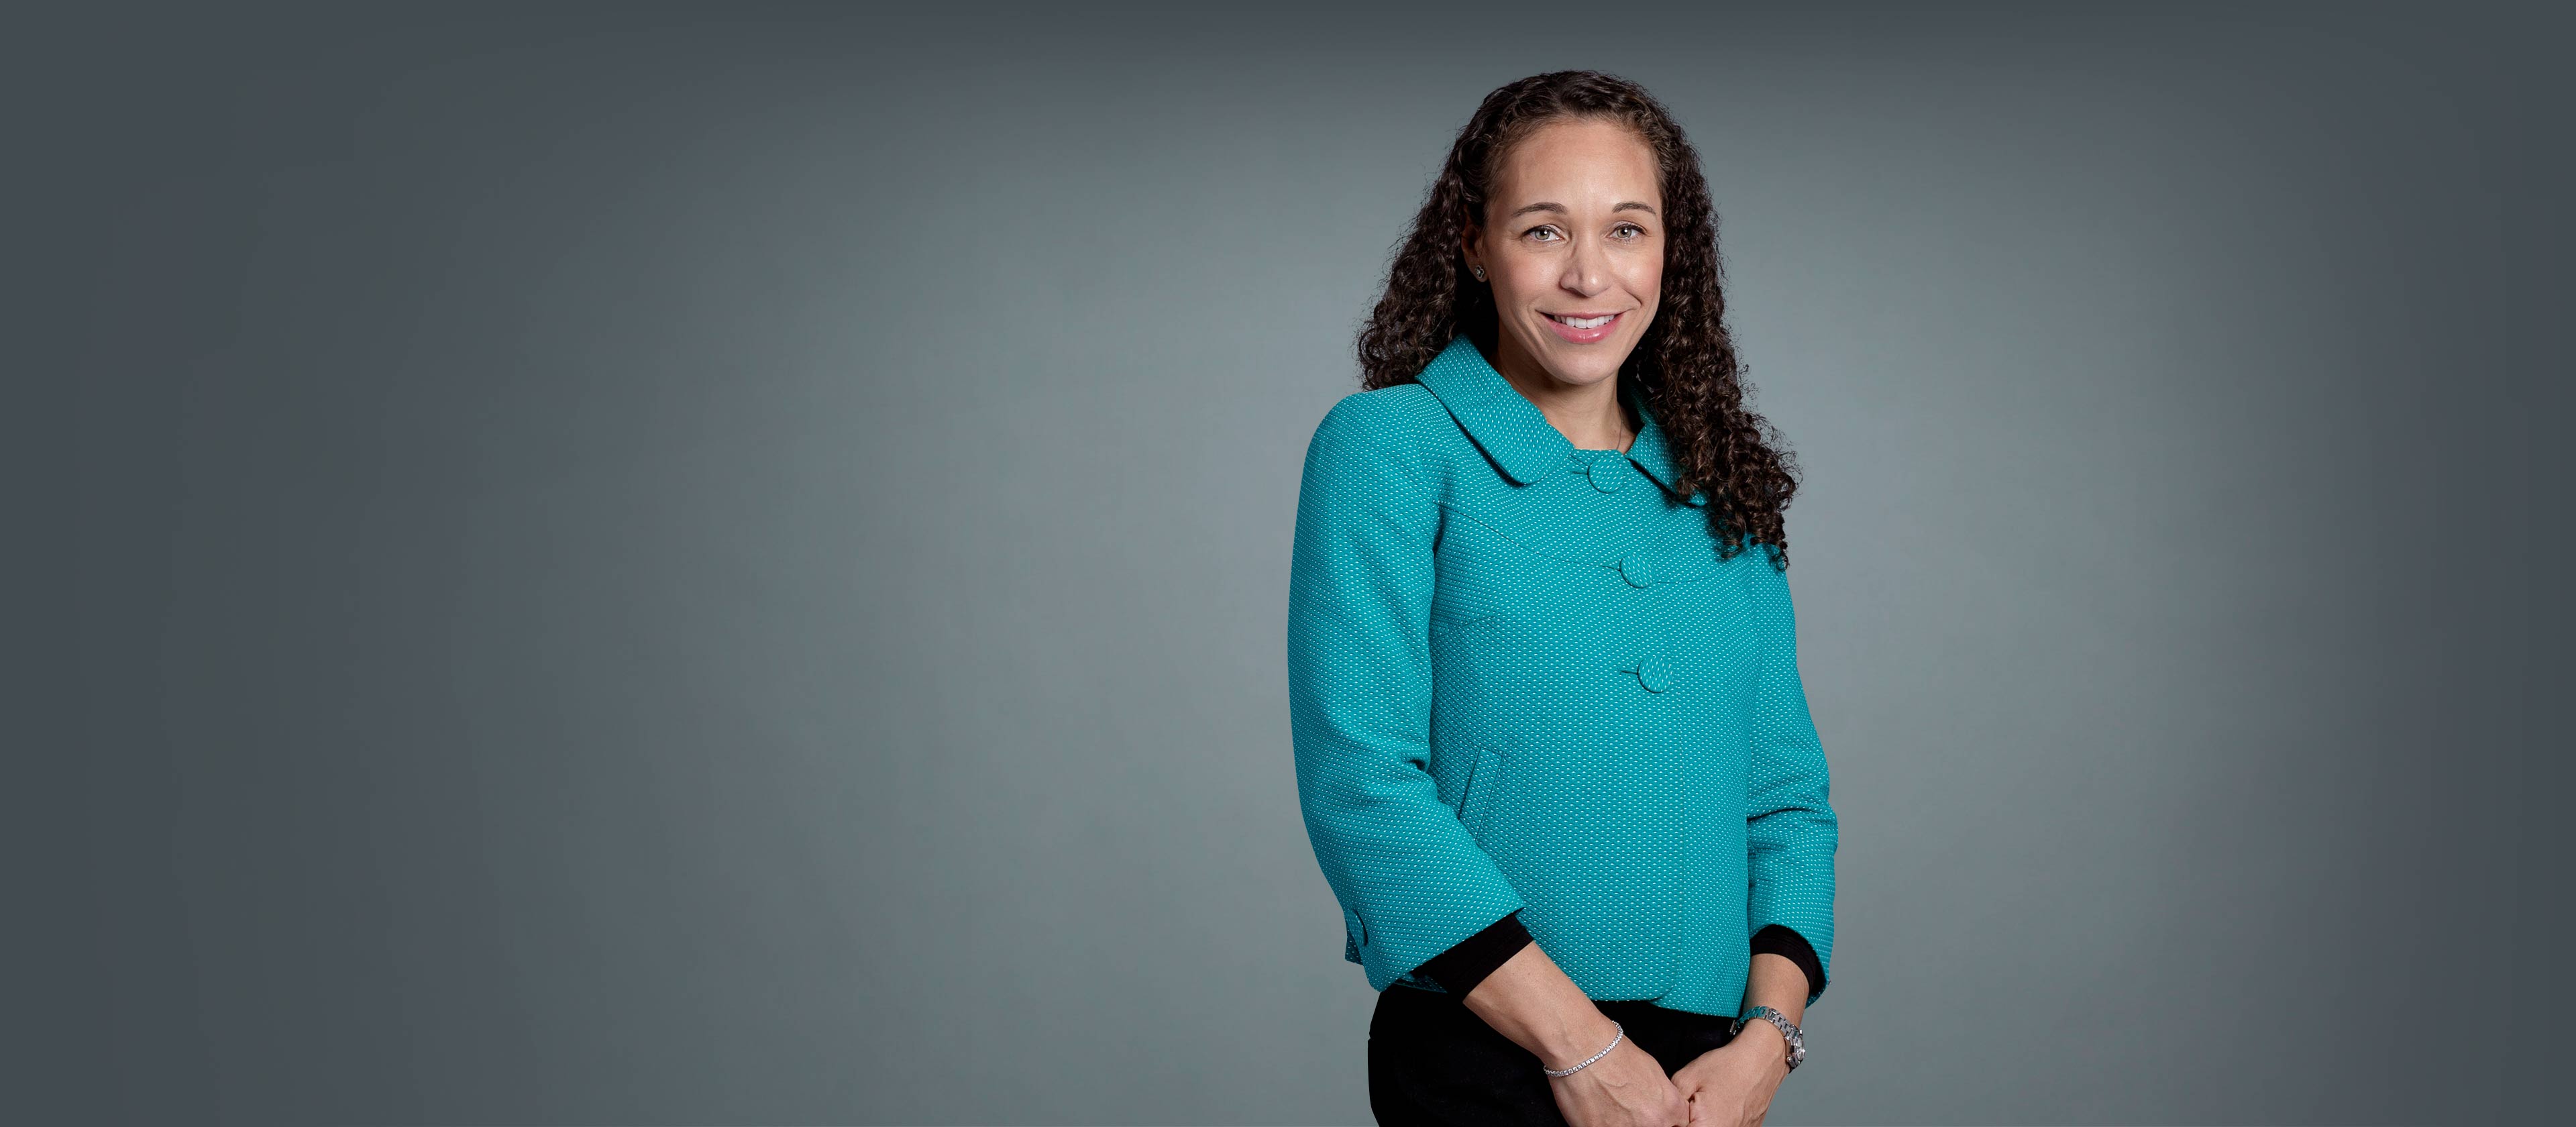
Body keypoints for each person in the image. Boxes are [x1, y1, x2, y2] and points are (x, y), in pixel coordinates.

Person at [1285, 70, 1839, 1127]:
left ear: (1671, 252)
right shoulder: (1392, 447)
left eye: (1627, 229)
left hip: (1711, 1077)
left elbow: (1788, 805)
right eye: (1544, 230)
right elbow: (1362, 780)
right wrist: (1583, 1050)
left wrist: (1768, 1044)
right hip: (1489, 1045)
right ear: (1473, 244)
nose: (1590, 275)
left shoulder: (1718, 487)